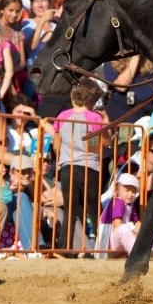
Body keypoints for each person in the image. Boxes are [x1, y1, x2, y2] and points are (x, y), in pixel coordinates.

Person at [48, 79, 109, 250]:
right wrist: (105, 121)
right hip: (90, 166)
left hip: (68, 166)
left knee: (70, 209)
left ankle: (65, 248)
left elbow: (56, 145)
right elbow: (105, 142)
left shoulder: (62, 116)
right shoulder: (95, 118)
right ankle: (102, 247)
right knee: (94, 209)